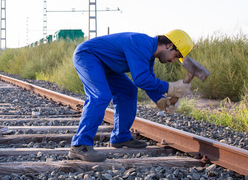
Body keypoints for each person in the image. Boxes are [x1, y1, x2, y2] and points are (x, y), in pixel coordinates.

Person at [68, 29, 193, 162]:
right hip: (88, 56)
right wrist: (170, 87)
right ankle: (79, 145)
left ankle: (120, 137)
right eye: (176, 55)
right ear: (169, 45)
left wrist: (160, 99)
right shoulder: (141, 44)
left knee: (129, 91)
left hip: (107, 65)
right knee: (100, 96)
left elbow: (147, 79)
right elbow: (141, 79)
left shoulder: (149, 54)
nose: (173, 61)